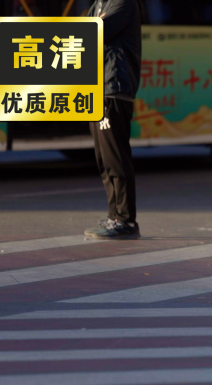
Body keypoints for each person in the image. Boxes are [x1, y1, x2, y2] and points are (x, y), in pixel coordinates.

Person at [84, 0, 142, 240]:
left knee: (115, 156)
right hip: (96, 89)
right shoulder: (98, 4)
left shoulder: (123, 2)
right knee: (103, 158)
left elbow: (96, 31)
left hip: (113, 87)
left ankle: (126, 220)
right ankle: (113, 217)